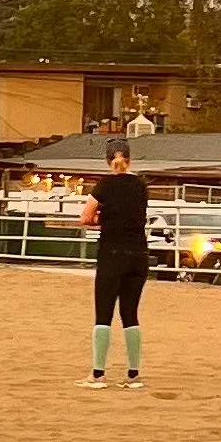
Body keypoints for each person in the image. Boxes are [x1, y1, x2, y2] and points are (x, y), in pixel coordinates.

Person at [78, 139, 151, 389]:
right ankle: (133, 374)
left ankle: (98, 374)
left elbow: (86, 217)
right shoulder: (140, 186)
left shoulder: (104, 186)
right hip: (139, 254)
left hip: (112, 253)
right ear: (130, 159)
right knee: (130, 314)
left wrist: (103, 220)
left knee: (104, 313)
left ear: (108, 161)